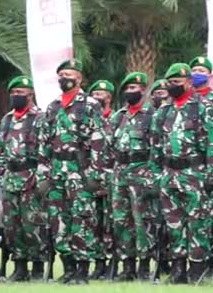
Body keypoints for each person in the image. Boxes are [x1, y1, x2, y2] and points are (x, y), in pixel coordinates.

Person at [36, 59, 107, 285]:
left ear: (79, 78)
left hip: (81, 171)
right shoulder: (53, 106)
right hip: (57, 172)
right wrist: (43, 173)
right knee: (59, 221)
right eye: (61, 74)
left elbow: (99, 140)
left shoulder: (90, 104)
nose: (64, 78)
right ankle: (67, 268)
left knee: (82, 219)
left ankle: (82, 270)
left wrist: (96, 175)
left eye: (69, 74)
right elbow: (44, 142)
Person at [149, 63, 213, 284]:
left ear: (189, 83)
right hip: (169, 173)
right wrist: (155, 175)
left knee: (198, 223)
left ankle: (197, 269)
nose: (173, 86)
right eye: (170, 83)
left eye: (177, 83)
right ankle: (178, 268)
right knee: (173, 224)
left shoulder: (202, 108)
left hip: (195, 173)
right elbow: (155, 147)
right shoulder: (163, 111)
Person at [0, 76, 46, 282]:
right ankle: (20, 266)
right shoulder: (7, 119)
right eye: (13, 93)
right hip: (10, 179)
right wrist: (0, 172)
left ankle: (38, 267)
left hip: (30, 177)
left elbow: (46, 149)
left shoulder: (40, 118)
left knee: (32, 224)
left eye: (20, 93)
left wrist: (41, 177)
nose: (16, 96)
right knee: (11, 225)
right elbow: (0, 149)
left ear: (30, 95)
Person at [109, 72, 158, 281]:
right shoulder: (118, 116)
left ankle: (144, 266)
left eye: (135, 88)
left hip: (142, 173)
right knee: (121, 222)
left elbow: (157, 149)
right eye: (128, 88)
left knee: (141, 223)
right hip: (120, 174)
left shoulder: (152, 116)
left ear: (144, 90)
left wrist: (153, 177)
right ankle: (127, 265)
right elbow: (109, 147)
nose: (131, 92)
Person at [87, 79, 116, 279]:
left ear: (109, 98)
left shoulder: (117, 119)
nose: (98, 96)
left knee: (111, 224)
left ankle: (113, 262)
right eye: (95, 93)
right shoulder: (85, 121)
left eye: (102, 93)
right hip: (90, 179)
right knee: (93, 223)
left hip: (112, 180)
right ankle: (98, 263)